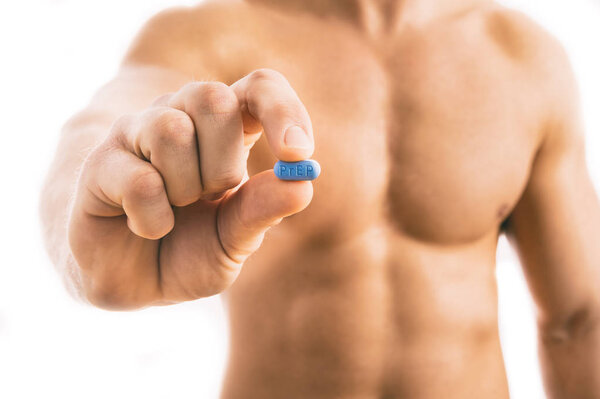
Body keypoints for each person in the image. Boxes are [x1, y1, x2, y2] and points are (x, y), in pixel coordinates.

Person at [40, 0, 600, 397]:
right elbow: (100, 127)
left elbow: (580, 318)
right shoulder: (205, 37)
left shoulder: (526, 60)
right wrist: (84, 232)